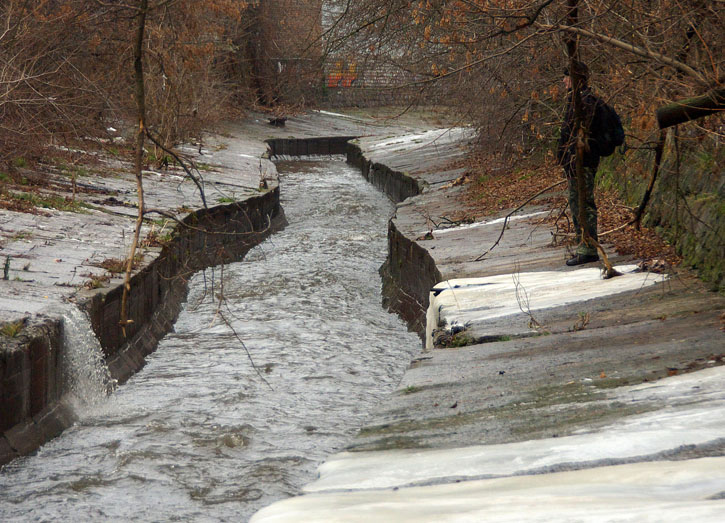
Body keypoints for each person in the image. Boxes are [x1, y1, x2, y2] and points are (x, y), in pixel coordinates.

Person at [556, 61, 601, 266]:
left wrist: (574, 157)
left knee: (583, 205)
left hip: (582, 164)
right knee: (577, 204)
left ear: (576, 79)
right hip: (575, 165)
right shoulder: (576, 100)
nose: (563, 80)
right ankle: (584, 246)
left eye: (567, 77)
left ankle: (588, 248)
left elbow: (582, 134)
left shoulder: (586, 102)